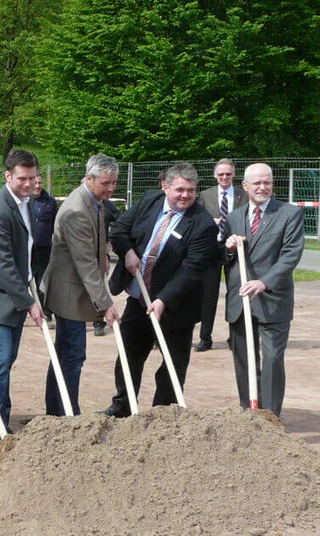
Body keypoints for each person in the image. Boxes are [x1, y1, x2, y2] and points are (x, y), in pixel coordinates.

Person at [101, 163, 215, 416]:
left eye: (191, 190)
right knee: (128, 357)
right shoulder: (150, 201)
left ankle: (162, 416)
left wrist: (163, 300)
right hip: (139, 298)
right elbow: (119, 230)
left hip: (176, 307)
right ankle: (123, 407)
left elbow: (191, 270)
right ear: (165, 187)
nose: (186, 195)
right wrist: (127, 252)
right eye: (180, 189)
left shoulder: (203, 224)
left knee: (172, 365)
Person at [41, 153, 121, 416]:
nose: (110, 188)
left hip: (75, 289)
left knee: (64, 351)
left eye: (114, 183)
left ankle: (58, 410)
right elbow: (84, 263)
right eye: (105, 183)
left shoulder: (94, 201)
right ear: (89, 178)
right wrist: (107, 304)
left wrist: (104, 259)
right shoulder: (76, 209)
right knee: (73, 355)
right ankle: (68, 414)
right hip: (69, 293)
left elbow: (94, 248)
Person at [223, 163, 304, 416]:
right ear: (245, 186)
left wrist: (264, 282)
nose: (262, 187)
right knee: (244, 362)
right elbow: (225, 260)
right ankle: (249, 413)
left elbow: (290, 256)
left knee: (271, 361)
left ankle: (269, 418)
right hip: (241, 301)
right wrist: (229, 248)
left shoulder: (289, 214)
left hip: (273, 300)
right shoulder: (234, 217)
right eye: (257, 183)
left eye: (267, 182)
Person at [0, 150, 43, 443]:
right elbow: (2, 266)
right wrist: (29, 303)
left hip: (18, 297)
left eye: (32, 178)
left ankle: (2, 425)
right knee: (0, 367)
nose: (28, 184)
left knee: (8, 362)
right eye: (22, 178)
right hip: (0, 301)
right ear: (8, 176)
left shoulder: (28, 203)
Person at [196, 158, 247, 352]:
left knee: (235, 292)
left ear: (234, 174)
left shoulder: (244, 195)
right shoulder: (205, 195)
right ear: (215, 175)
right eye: (221, 174)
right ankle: (205, 337)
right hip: (212, 248)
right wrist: (210, 221)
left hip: (235, 247)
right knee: (209, 294)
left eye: (228, 173)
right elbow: (198, 220)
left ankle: (235, 336)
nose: (224, 177)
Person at [32, 171, 58, 326]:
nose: (37, 186)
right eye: (35, 183)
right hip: (27, 250)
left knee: (43, 282)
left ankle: (46, 314)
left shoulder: (50, 202)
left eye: (40, 183)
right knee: (22, 282)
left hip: (44, 250)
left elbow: (56, 224)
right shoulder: (23, 201)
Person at [92, 198, 121, 337]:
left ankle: (98, 321)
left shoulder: (107, 205)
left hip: (100, 251)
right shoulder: (80, 205)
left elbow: (120, 221)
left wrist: (110, 239)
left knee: (100, 286)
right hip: (82, 250)